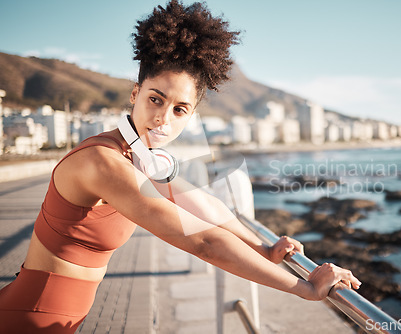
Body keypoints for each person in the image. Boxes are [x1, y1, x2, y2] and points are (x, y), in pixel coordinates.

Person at [0, 1, 361, 333]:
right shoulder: (104, 162)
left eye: (179, 109)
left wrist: (263, 248)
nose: (162, 119)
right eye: (155, 99)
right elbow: (202, 241)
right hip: (30, 318)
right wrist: (306, 288)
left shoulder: (138, 155)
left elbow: (204, 207)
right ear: (134, 94)